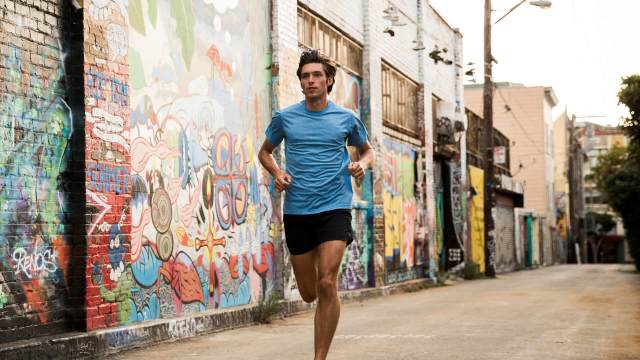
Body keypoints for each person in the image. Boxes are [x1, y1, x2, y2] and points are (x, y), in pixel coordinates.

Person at [258, 49, 374, 360]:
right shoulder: (286, 118)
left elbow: (367, 151)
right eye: (305, 76)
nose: (310, 80)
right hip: (297, 210)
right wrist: (277, 172)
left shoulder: (346, 118)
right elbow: (264, 152)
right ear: (300, 82)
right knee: (310, 292)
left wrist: (362, 165)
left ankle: (319, 357)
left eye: (316, 75)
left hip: (334, 206)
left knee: (326, 281)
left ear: (329, 80)